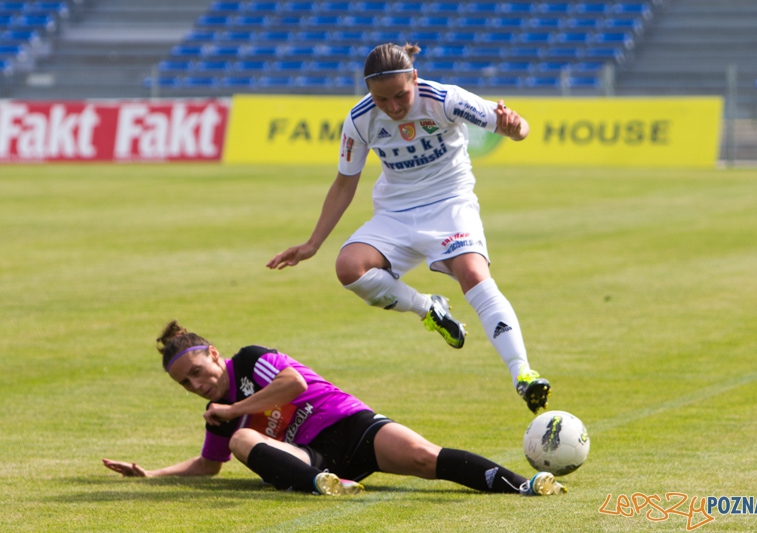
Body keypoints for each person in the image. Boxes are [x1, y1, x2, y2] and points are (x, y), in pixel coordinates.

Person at [267, 43, 550, 413]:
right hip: (396, 212)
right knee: (348, 268)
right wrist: (313, 243)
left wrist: (515, 128)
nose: (394, 107)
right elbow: (344, 183)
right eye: (382, 99)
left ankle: (522, 374)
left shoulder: (445, 99)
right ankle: (427, 308)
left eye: (401, 95)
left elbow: (518, 127)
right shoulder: (360, 119)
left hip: (450, 203)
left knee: (473, 274)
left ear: (414, 77)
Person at [102, 320, 566, 497]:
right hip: (314, 459)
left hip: (350, 426)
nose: (196, 385)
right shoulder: (219, 415)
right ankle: (326, 485)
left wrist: (234, 409)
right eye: (185, 383)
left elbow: (292, 384)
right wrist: (153, 476)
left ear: (216, 355)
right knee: (245, 439)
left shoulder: (250, 360)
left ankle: (523, 485)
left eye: (198, 372)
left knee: (426, 457)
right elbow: (208, 465)